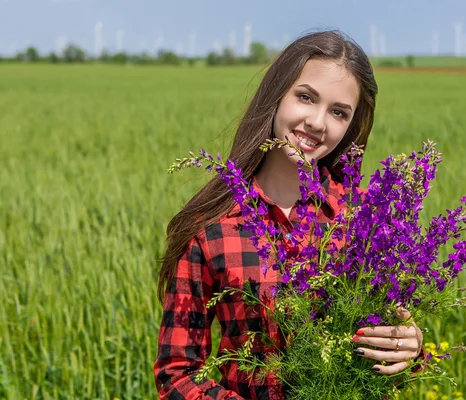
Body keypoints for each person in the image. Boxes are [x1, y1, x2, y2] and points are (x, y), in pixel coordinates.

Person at [154, 30, 424, 400]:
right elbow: (177, 374)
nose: (316, 121)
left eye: (338, 112)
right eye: (305, 97)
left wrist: (409, 346)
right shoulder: (212, 229)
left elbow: (385, 344)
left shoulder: (367, 219)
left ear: (349, 127)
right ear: (276, 95)